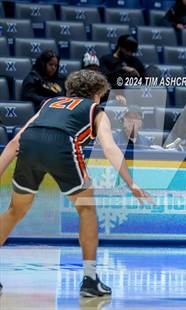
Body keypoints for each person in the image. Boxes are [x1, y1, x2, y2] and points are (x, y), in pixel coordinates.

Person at [0, 70, 152, 297]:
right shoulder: (95, 111)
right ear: (98, 94)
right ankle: (90, 279)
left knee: (15, 210)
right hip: (63, 144)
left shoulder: (49, 103)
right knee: (87, 208)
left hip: (30, 143)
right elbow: (110, 147)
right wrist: (131, 183)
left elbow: (15, 141)